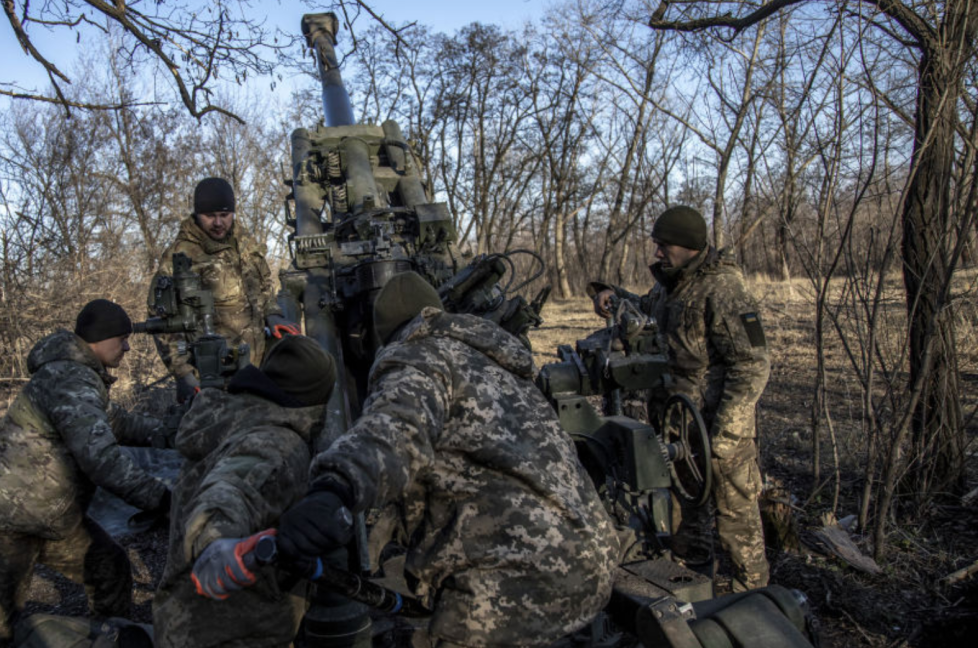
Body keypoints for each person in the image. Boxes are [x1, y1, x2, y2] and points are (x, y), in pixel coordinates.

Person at [266, 272, 620, 648]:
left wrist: (334, 487)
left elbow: (396, 431)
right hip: (592, 558)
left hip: (515, 580)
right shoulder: (496, 361)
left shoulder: (416, 356)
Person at [0, 299, 172, 646]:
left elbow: (116, 422)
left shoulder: (81, 377)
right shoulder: (70, 379)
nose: (127, 346)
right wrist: (162, 499)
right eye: (121, 338)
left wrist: (170, 434)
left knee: (108, 567)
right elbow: (101, 460)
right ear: (99, 340)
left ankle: (107, 639)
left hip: (51, 518)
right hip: (3, 523)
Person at [589, 205, 771, 593]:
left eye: (663, 245)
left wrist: (725, 437)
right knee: (685, 521)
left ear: (687, 246)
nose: (657, 254)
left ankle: (755, 607)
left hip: (717, 432)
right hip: (678, 428)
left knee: (737, 525)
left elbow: (752, 364)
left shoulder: (724, 290)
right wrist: (613, 297)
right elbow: (648, 313)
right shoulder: (671, 285)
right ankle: (694, 589)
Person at [152, 335, 336, 648]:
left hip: (182, 619)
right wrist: (215, 540)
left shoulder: (231, 415)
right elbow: (229, 490)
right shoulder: (277, 443)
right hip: (232, 632)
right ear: (316, 399)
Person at [153, 177, 290, 405]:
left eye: (224, 215)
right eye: (210, 216)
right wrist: (184, 374)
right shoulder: (179, 255)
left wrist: (272, 313)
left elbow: (263, 284)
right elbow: (162, 321)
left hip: (256, 370)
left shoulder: (245, 243)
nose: (218, 223)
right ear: (197, 215)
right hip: (212, 379)